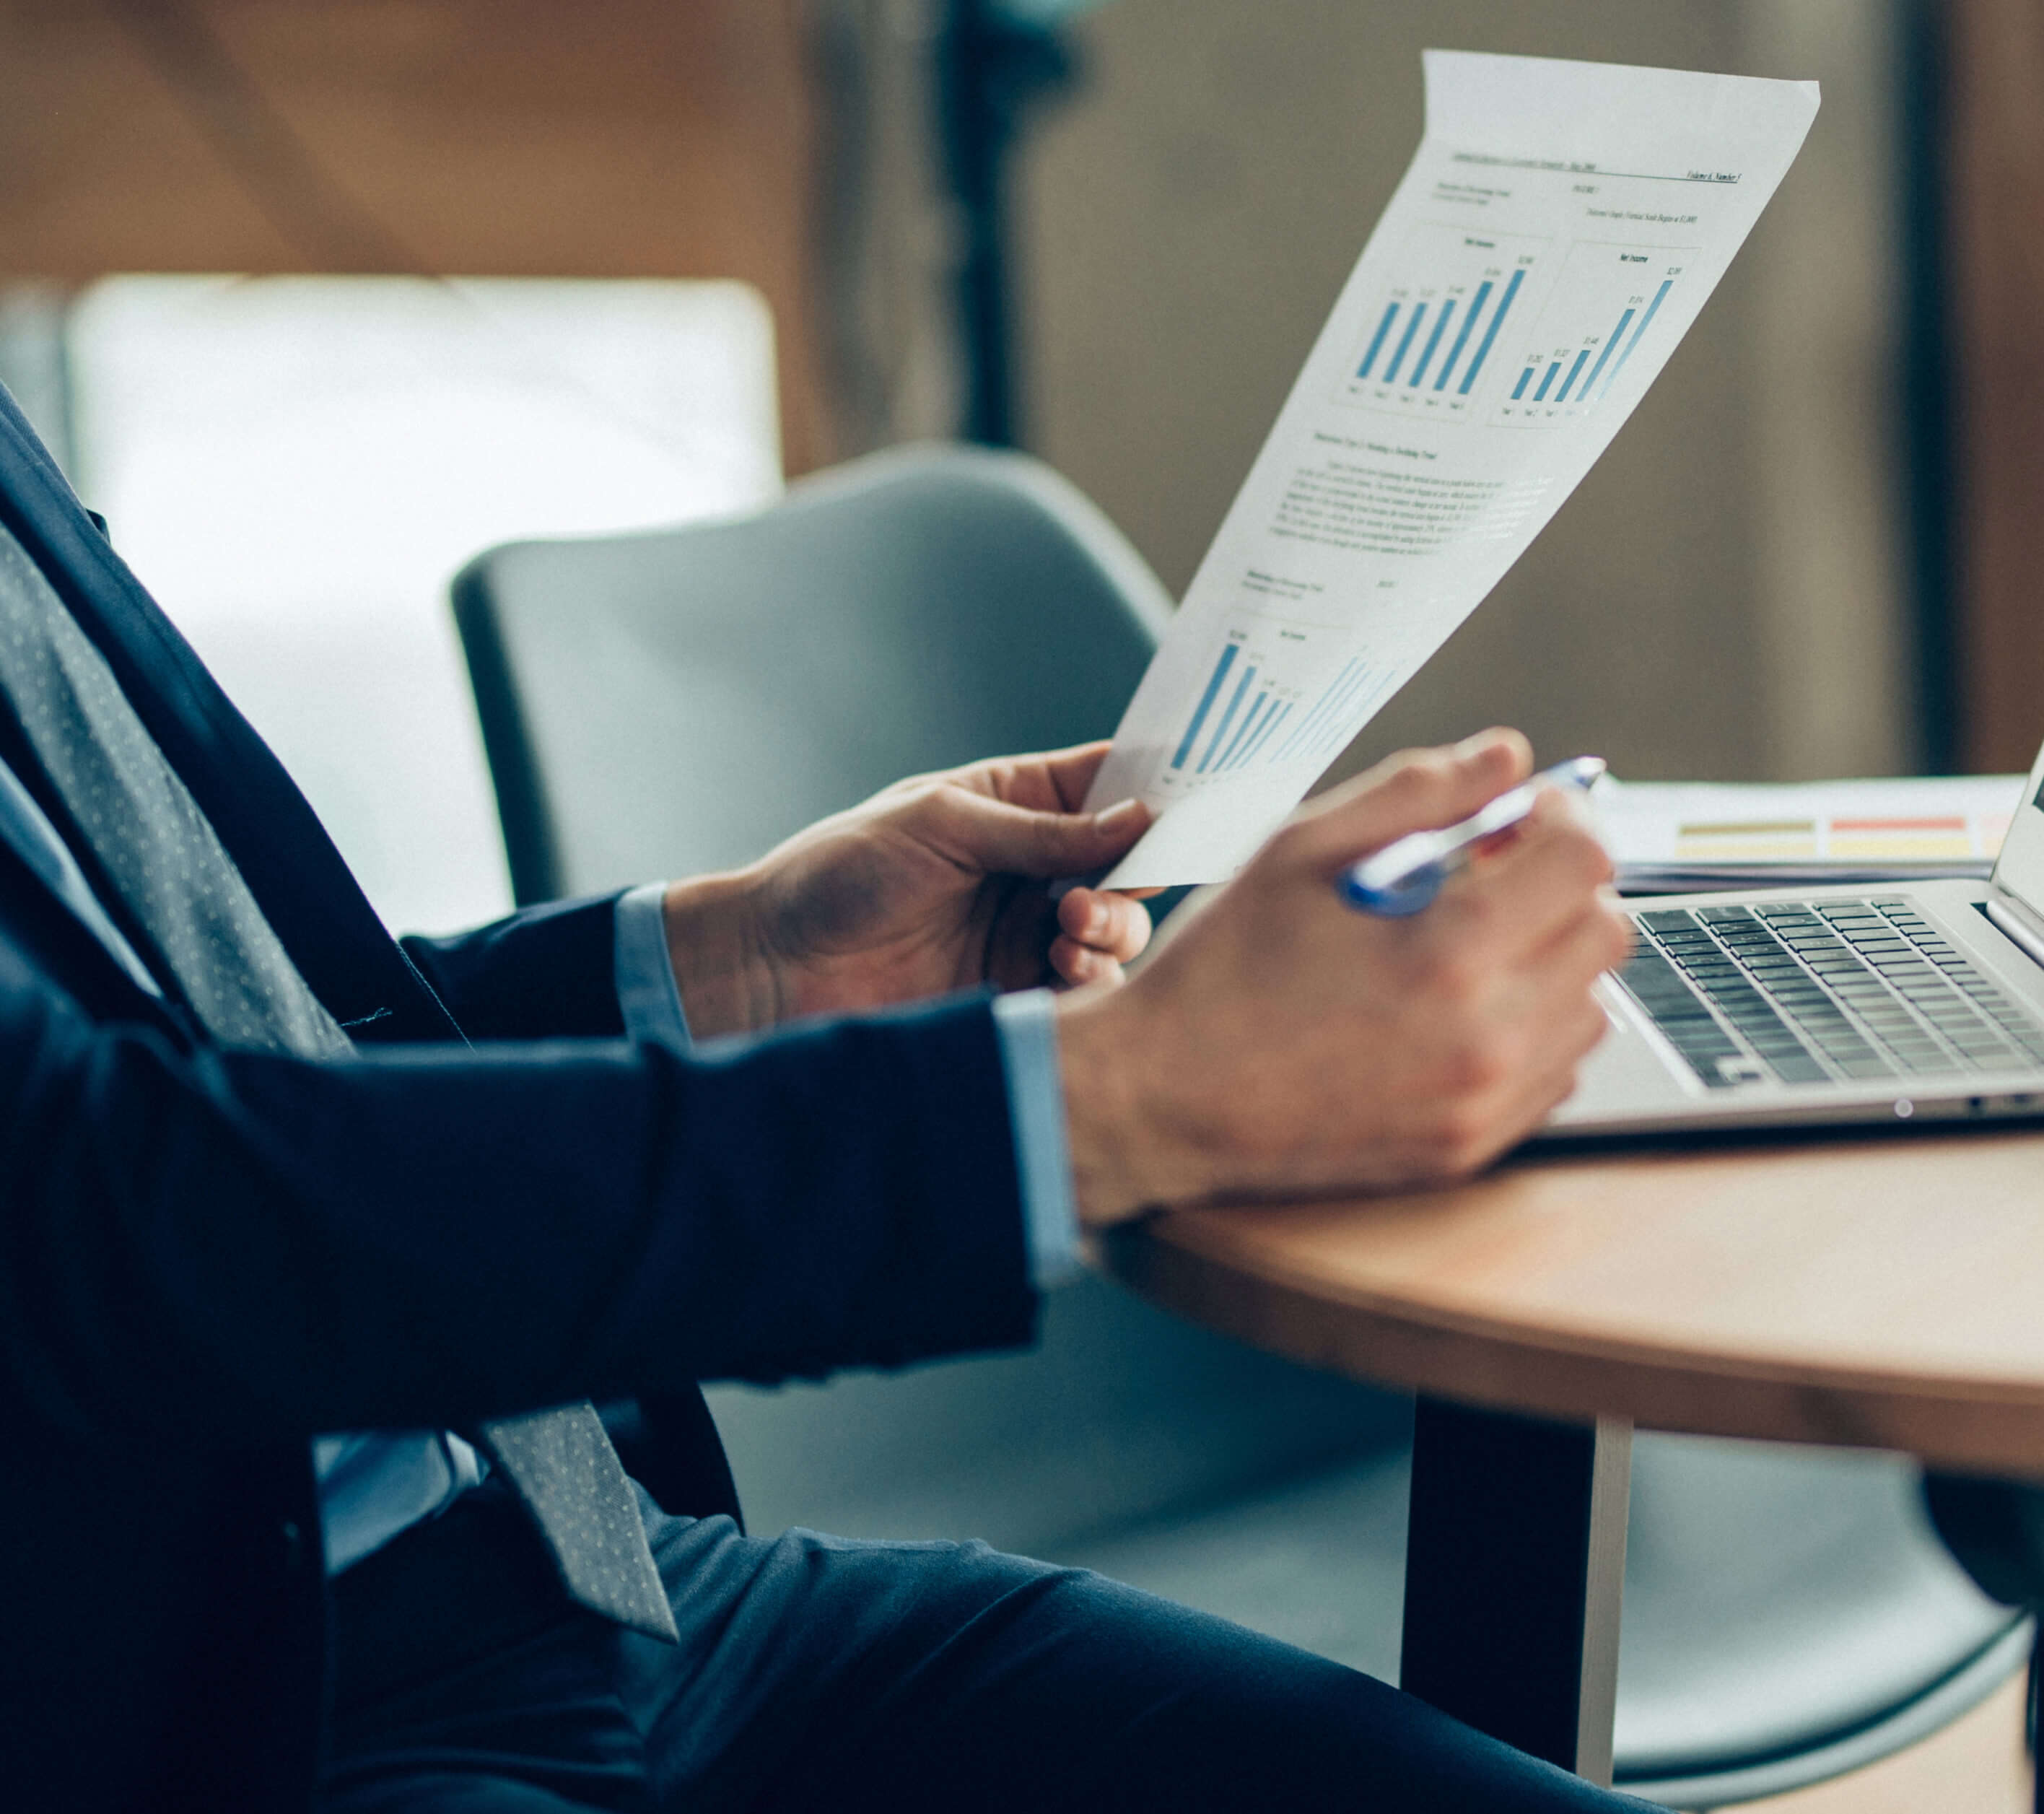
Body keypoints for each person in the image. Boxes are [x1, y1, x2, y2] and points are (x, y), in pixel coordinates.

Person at [0, 371, 1642, 1811]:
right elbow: (101, 1215)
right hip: (240, 1730)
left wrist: (729, 971)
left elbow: (198, 1056)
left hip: (594, 1576)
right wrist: (1113, 1103)